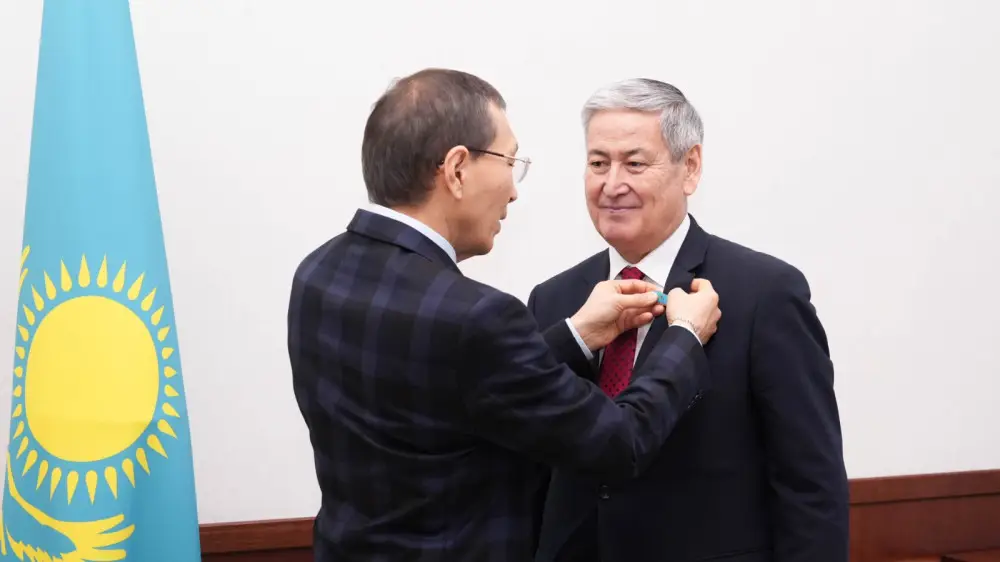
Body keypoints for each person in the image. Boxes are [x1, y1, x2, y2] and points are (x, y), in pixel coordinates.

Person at [286, 68, 722, 561]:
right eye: (510, 162)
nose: (513, 191)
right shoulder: (477, 316)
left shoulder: (318, 273)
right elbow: (619, 443)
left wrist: (575, 335)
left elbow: (447, 390)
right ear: (457, 169)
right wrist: (684, 334)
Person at [530, 78, 850, 562]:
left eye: (635, 163)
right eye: (598, 163)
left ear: (691, 167)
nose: (611, 184)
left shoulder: (763, 293)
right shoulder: (554, 299)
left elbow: (811, 483)